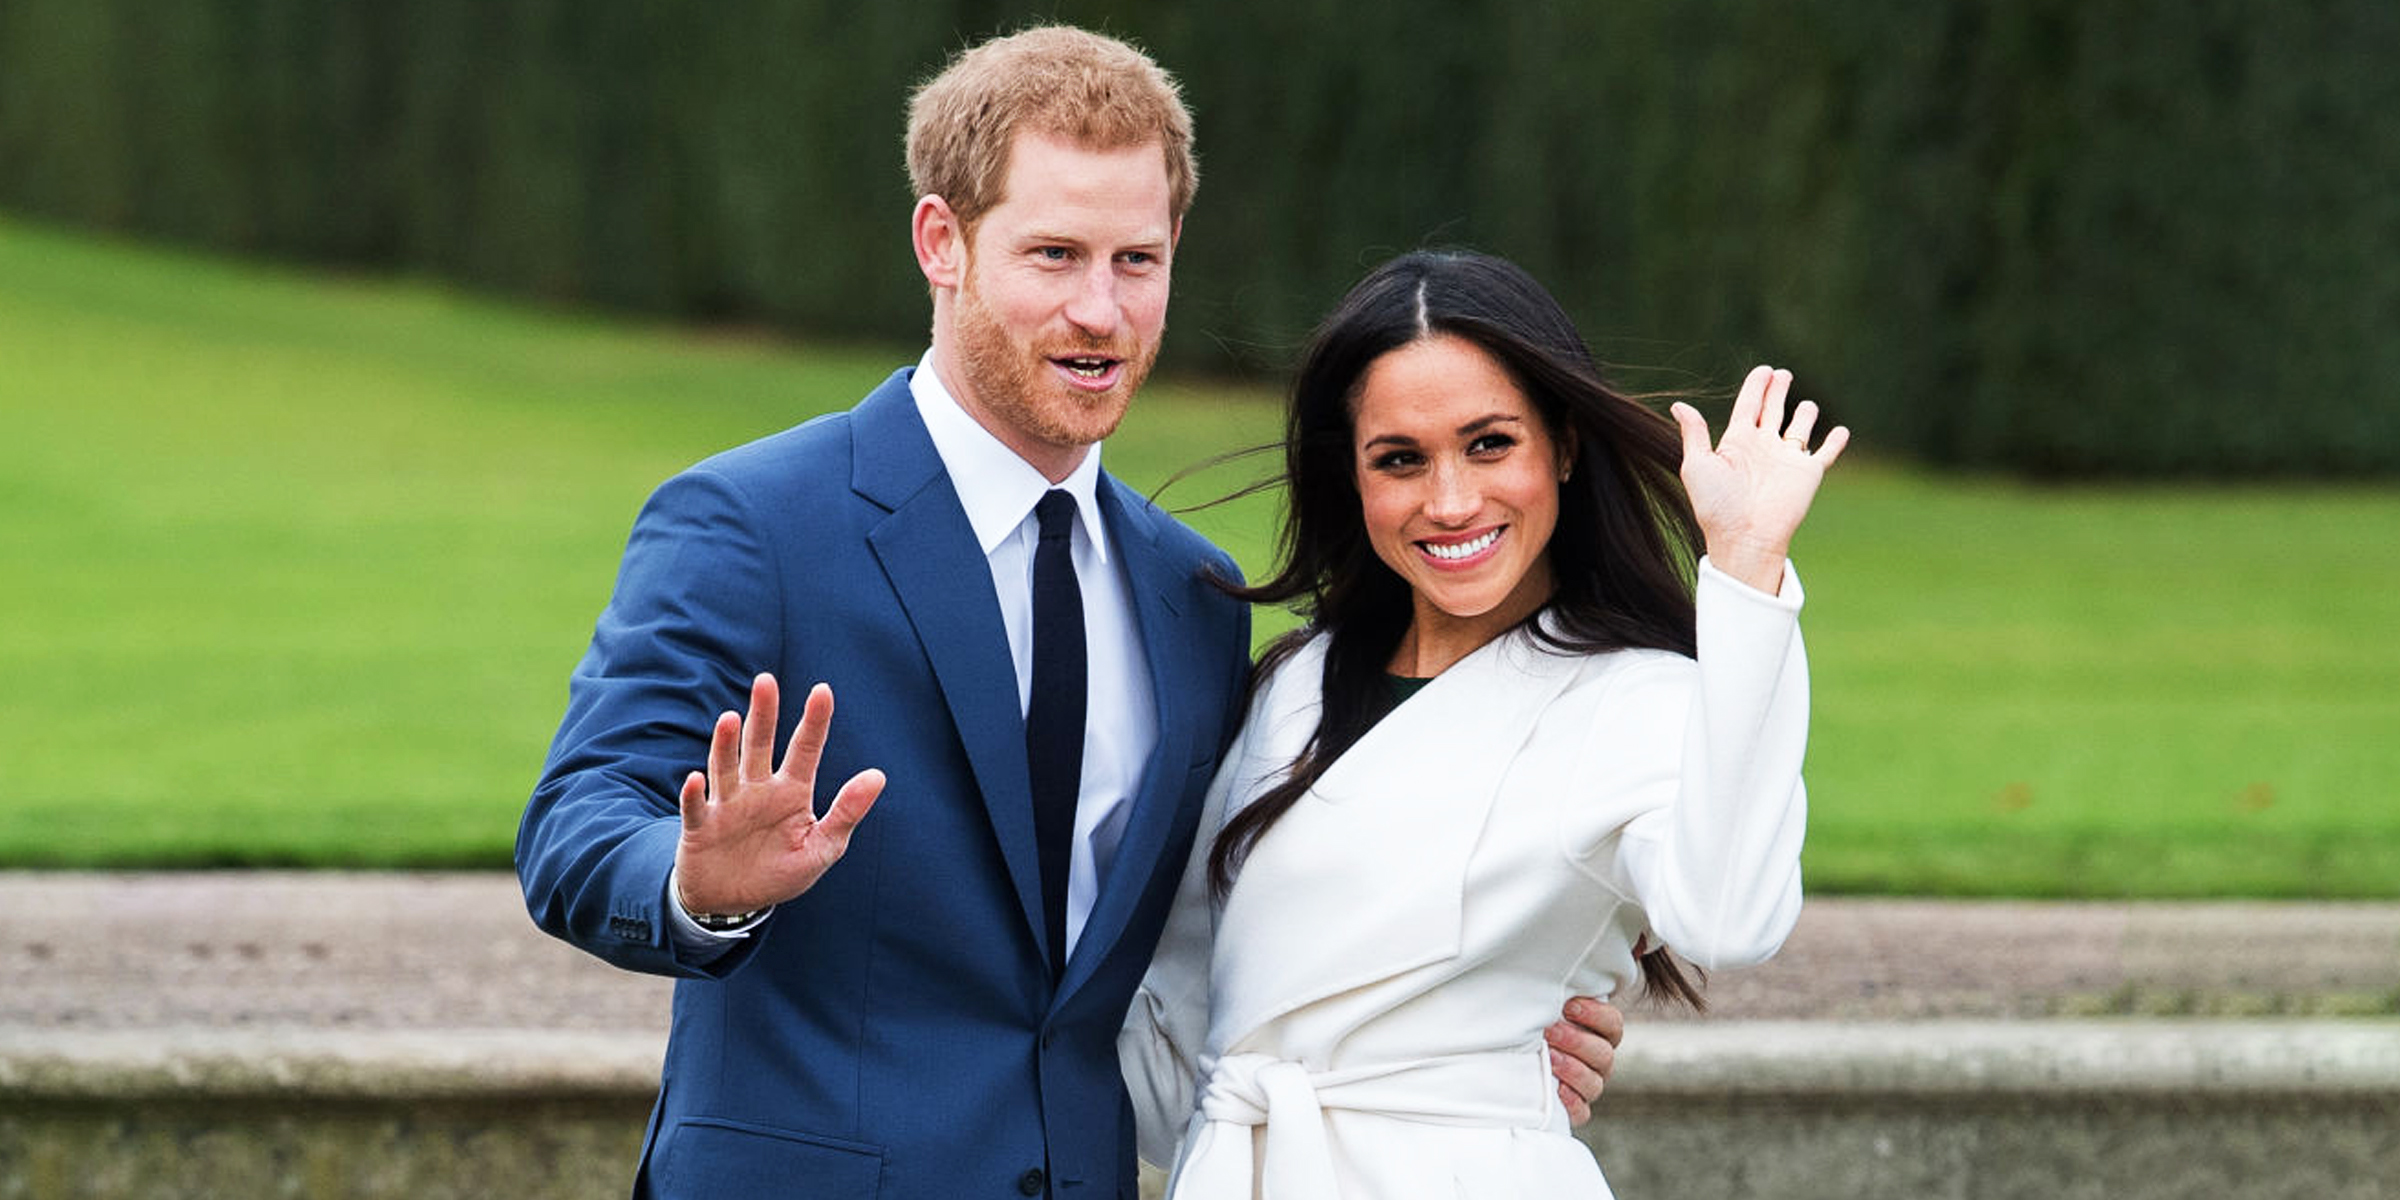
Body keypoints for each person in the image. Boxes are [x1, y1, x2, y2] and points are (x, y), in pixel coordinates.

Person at [515, 29, 1621, 1200]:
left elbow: (1227, 935)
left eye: (1135, 261)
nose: (1100, 311)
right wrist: (699, 889)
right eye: (1053, 255)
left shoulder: (1191, 596)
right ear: (942, 242)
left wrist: (1461, 1038)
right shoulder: (753, 523)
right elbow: (577, 823)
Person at [1119, 249, 1848, 1197]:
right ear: (1354, 478)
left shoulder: (1636, 699)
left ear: (1564, 445)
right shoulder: (1290, 688)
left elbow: (1728, 918)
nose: (1452, 500)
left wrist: (1747, 572)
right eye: (1400, 460)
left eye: (1490, 443)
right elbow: (1175, 1023)